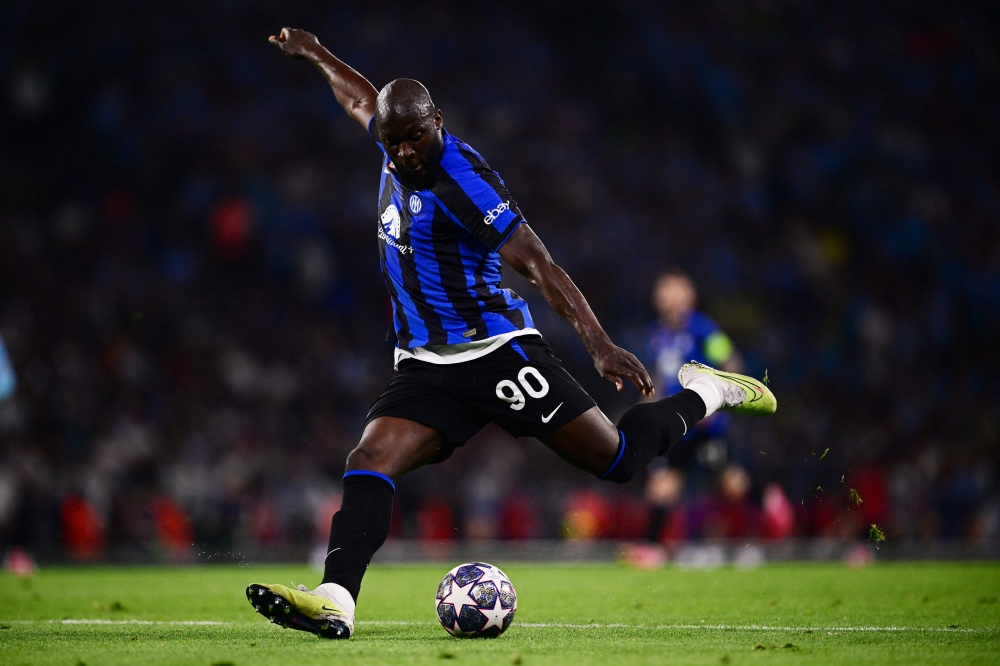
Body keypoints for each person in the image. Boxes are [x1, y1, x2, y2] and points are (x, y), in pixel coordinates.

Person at [247, 27, 776, 639]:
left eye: (414, 140)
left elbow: (538, 265)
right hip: (425, 364)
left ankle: (708, 393)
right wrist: (315, 52)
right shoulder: (392, 140)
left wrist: (597, 342)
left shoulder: (464, 181)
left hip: (497, 351)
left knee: (622, 462)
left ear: (436, 123)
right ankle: (337, 598)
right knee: (368, 458)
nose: (404, 156)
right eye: (393, 144)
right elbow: (360, 99)